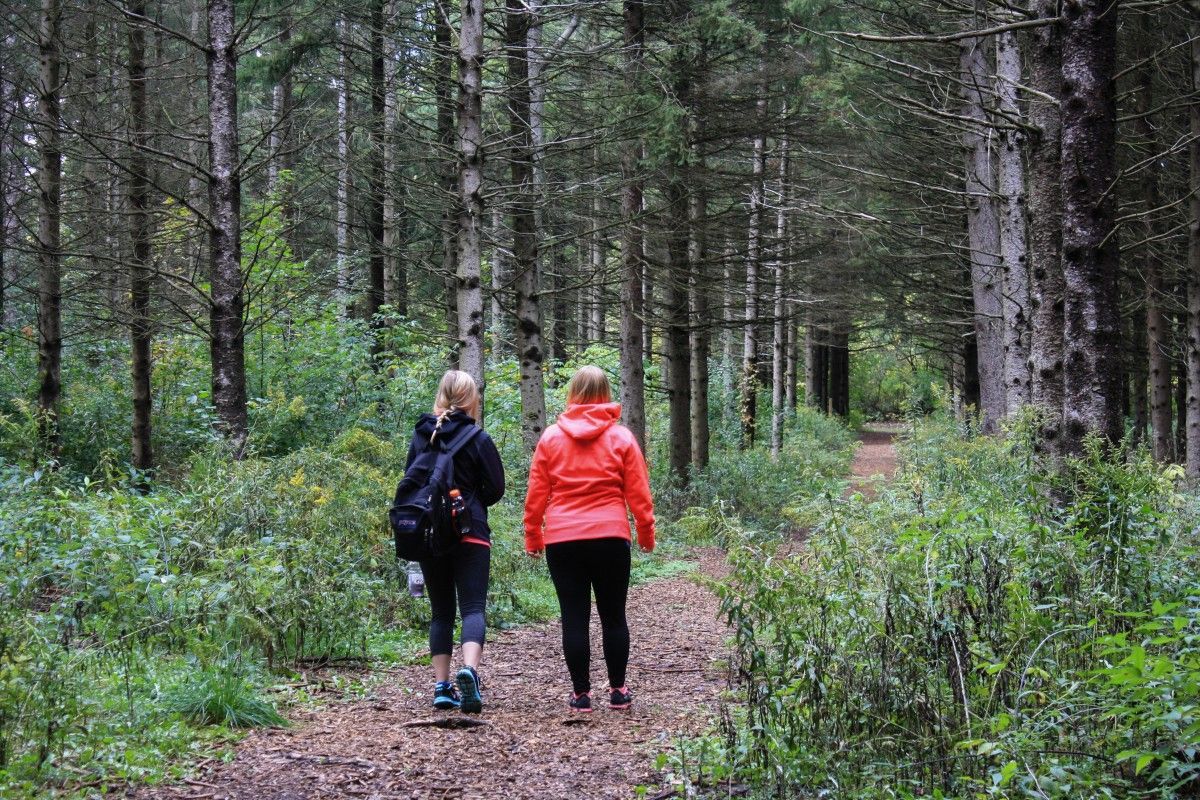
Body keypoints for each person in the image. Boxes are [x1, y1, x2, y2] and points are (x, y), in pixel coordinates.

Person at [523, 366, 655, 712]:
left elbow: (537, 493)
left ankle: (581, 694)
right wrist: (645, 531)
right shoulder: (621, 438)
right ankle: (618, 691)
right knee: (614, 616)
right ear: (606, 394)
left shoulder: (551, 438)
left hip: (563, 539)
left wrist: (533, 535)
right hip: (610, 536)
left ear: (572, 393)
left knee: (574, 617)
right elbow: (638, 491)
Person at [405, 370, 504, 713]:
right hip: (470, 530)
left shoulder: (421, 434)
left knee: (441, 612)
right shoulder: (477, 437)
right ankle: (470, 672)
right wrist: (471, 500)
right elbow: (496, 489)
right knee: (473, 607)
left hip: (431, 534)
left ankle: (442, 687)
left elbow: (411, 482)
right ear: (471, 399)